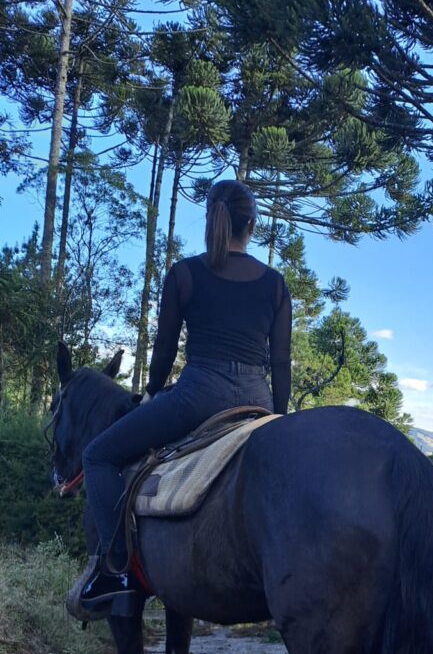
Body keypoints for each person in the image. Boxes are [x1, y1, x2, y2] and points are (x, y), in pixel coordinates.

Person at [69, 179, 292, 617]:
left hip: (198, 394)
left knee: (98, 455)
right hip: (256, 398)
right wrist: (278, 421)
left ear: (212, 218)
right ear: (253, 224)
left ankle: (115, 572)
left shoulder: (185, 274)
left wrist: (152, 394)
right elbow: (280, 362)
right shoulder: (276, 284)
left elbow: (166, 351)